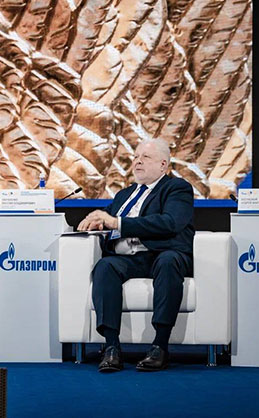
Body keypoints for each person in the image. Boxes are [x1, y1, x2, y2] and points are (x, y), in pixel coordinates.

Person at [77, 138, 195, 372]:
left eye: (145, 157)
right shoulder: (125, 195)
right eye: (135, 157)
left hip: (163, 253)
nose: (137, 161)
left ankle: (160, 347)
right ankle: (112, 347)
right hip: (129, 259)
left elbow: (170, 222)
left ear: (163, 165)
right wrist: (95, 221)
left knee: (168, 262)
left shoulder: (176, 188)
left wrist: (116, 222)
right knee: (105, 266)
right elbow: (107, 218)